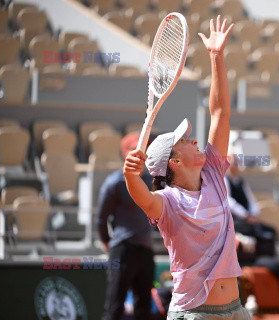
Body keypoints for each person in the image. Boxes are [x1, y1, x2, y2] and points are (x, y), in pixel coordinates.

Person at [123, 16, 251, 320]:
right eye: (185, 140)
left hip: (236, 311)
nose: (194, 140)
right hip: (194, 314)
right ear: (174, 162)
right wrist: (130, 174)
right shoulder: (167, 202)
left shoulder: (214, 176)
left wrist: (216, 57)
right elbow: (142, 196)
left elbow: (220, 113)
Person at [97, 132, 156, 320]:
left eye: (143, 150)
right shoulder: (114, 183)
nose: (140, 154)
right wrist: (109, 244)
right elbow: (101, 219)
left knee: (144, 308)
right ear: (125, 153)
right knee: (115, 306)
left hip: (146, 250)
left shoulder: (152, 181)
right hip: (122, 250)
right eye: (134, 150)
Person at [225, 154, 276, 260]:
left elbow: (252, 201)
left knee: (271, 231)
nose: (235, 166)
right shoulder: (225, 180)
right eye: (233, 163)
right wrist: (245, 216)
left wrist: (253, 215)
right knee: (249, 230)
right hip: (235, 220)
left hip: (248, 219)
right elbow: (229, 202)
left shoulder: (242, 182)